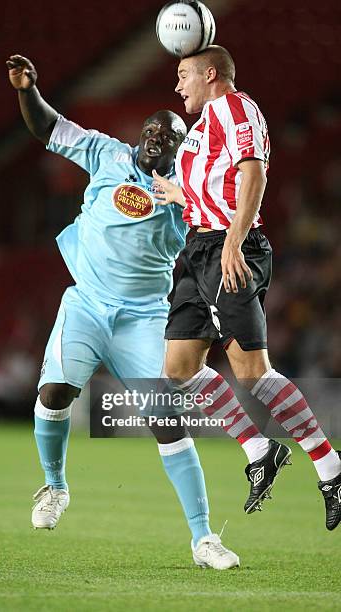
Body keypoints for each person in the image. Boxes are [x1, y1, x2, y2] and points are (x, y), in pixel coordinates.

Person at [6, 54, 240, 570]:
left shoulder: (186, 191)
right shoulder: (106, 154)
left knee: (166, 420)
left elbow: (221, 221)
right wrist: (28, 89)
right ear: (140, 135)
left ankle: (203, 539)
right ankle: (55, 487)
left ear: (181, 148)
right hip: (87, 301)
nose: (160, 136)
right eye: (154, 129)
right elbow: (49, 128)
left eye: (172, 134)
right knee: (54, 392)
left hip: (144, 316)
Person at [152, 45, 341, 530]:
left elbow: (252, 173)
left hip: (228, 250)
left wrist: (234, 242)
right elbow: (213, 186)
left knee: (253, 372)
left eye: (182, 75)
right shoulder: (201, 130)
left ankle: (331, 468)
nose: (177, 86)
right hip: (197, 252)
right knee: (178, 369)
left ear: (209, 74)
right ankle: (261, 451)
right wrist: (179, 193)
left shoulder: (236, 108)